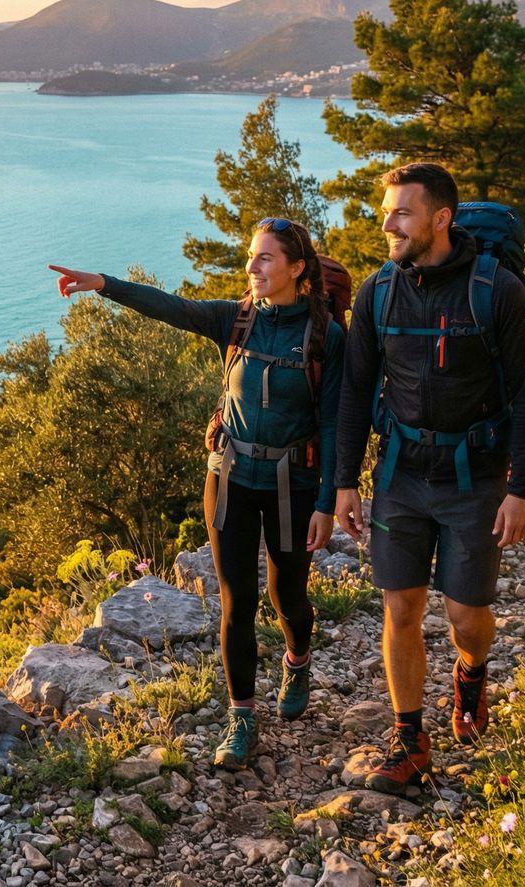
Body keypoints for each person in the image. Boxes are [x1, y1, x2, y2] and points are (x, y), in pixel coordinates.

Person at [49, 217, 343, 770]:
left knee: (288, 597)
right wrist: (105, 284)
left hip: (292, 485)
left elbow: (335, 424)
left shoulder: (326, 336)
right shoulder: (235, 320)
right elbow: (172, 306)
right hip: (228, 477)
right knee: (236, 602)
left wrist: (328, 500)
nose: (252, 268)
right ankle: (242, 718)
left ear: (297, 268)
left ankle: (298, 658)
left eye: (264, 259)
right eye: (250, 257)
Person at [331, 162, 525, 795]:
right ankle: (409, 738)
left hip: (474, 477)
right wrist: (346, 481)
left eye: (402, 213)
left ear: (441, 218)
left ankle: (472, 673)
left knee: (465, 614)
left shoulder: (495, 292)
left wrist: (522, 489)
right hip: (399, 472)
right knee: (400, 607)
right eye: (386, 212)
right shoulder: (378, 292)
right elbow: (354, 391)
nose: (388, 224)